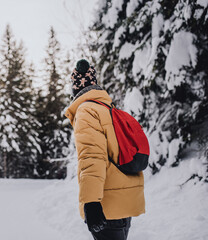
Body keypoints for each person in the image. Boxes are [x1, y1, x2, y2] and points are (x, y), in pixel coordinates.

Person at [65, 59, 145, 240]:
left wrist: (91, 202)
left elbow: (92, 157)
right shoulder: (106, 108)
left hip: (106, 206)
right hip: (122, 202)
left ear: (74, 89)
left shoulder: (86, 111)